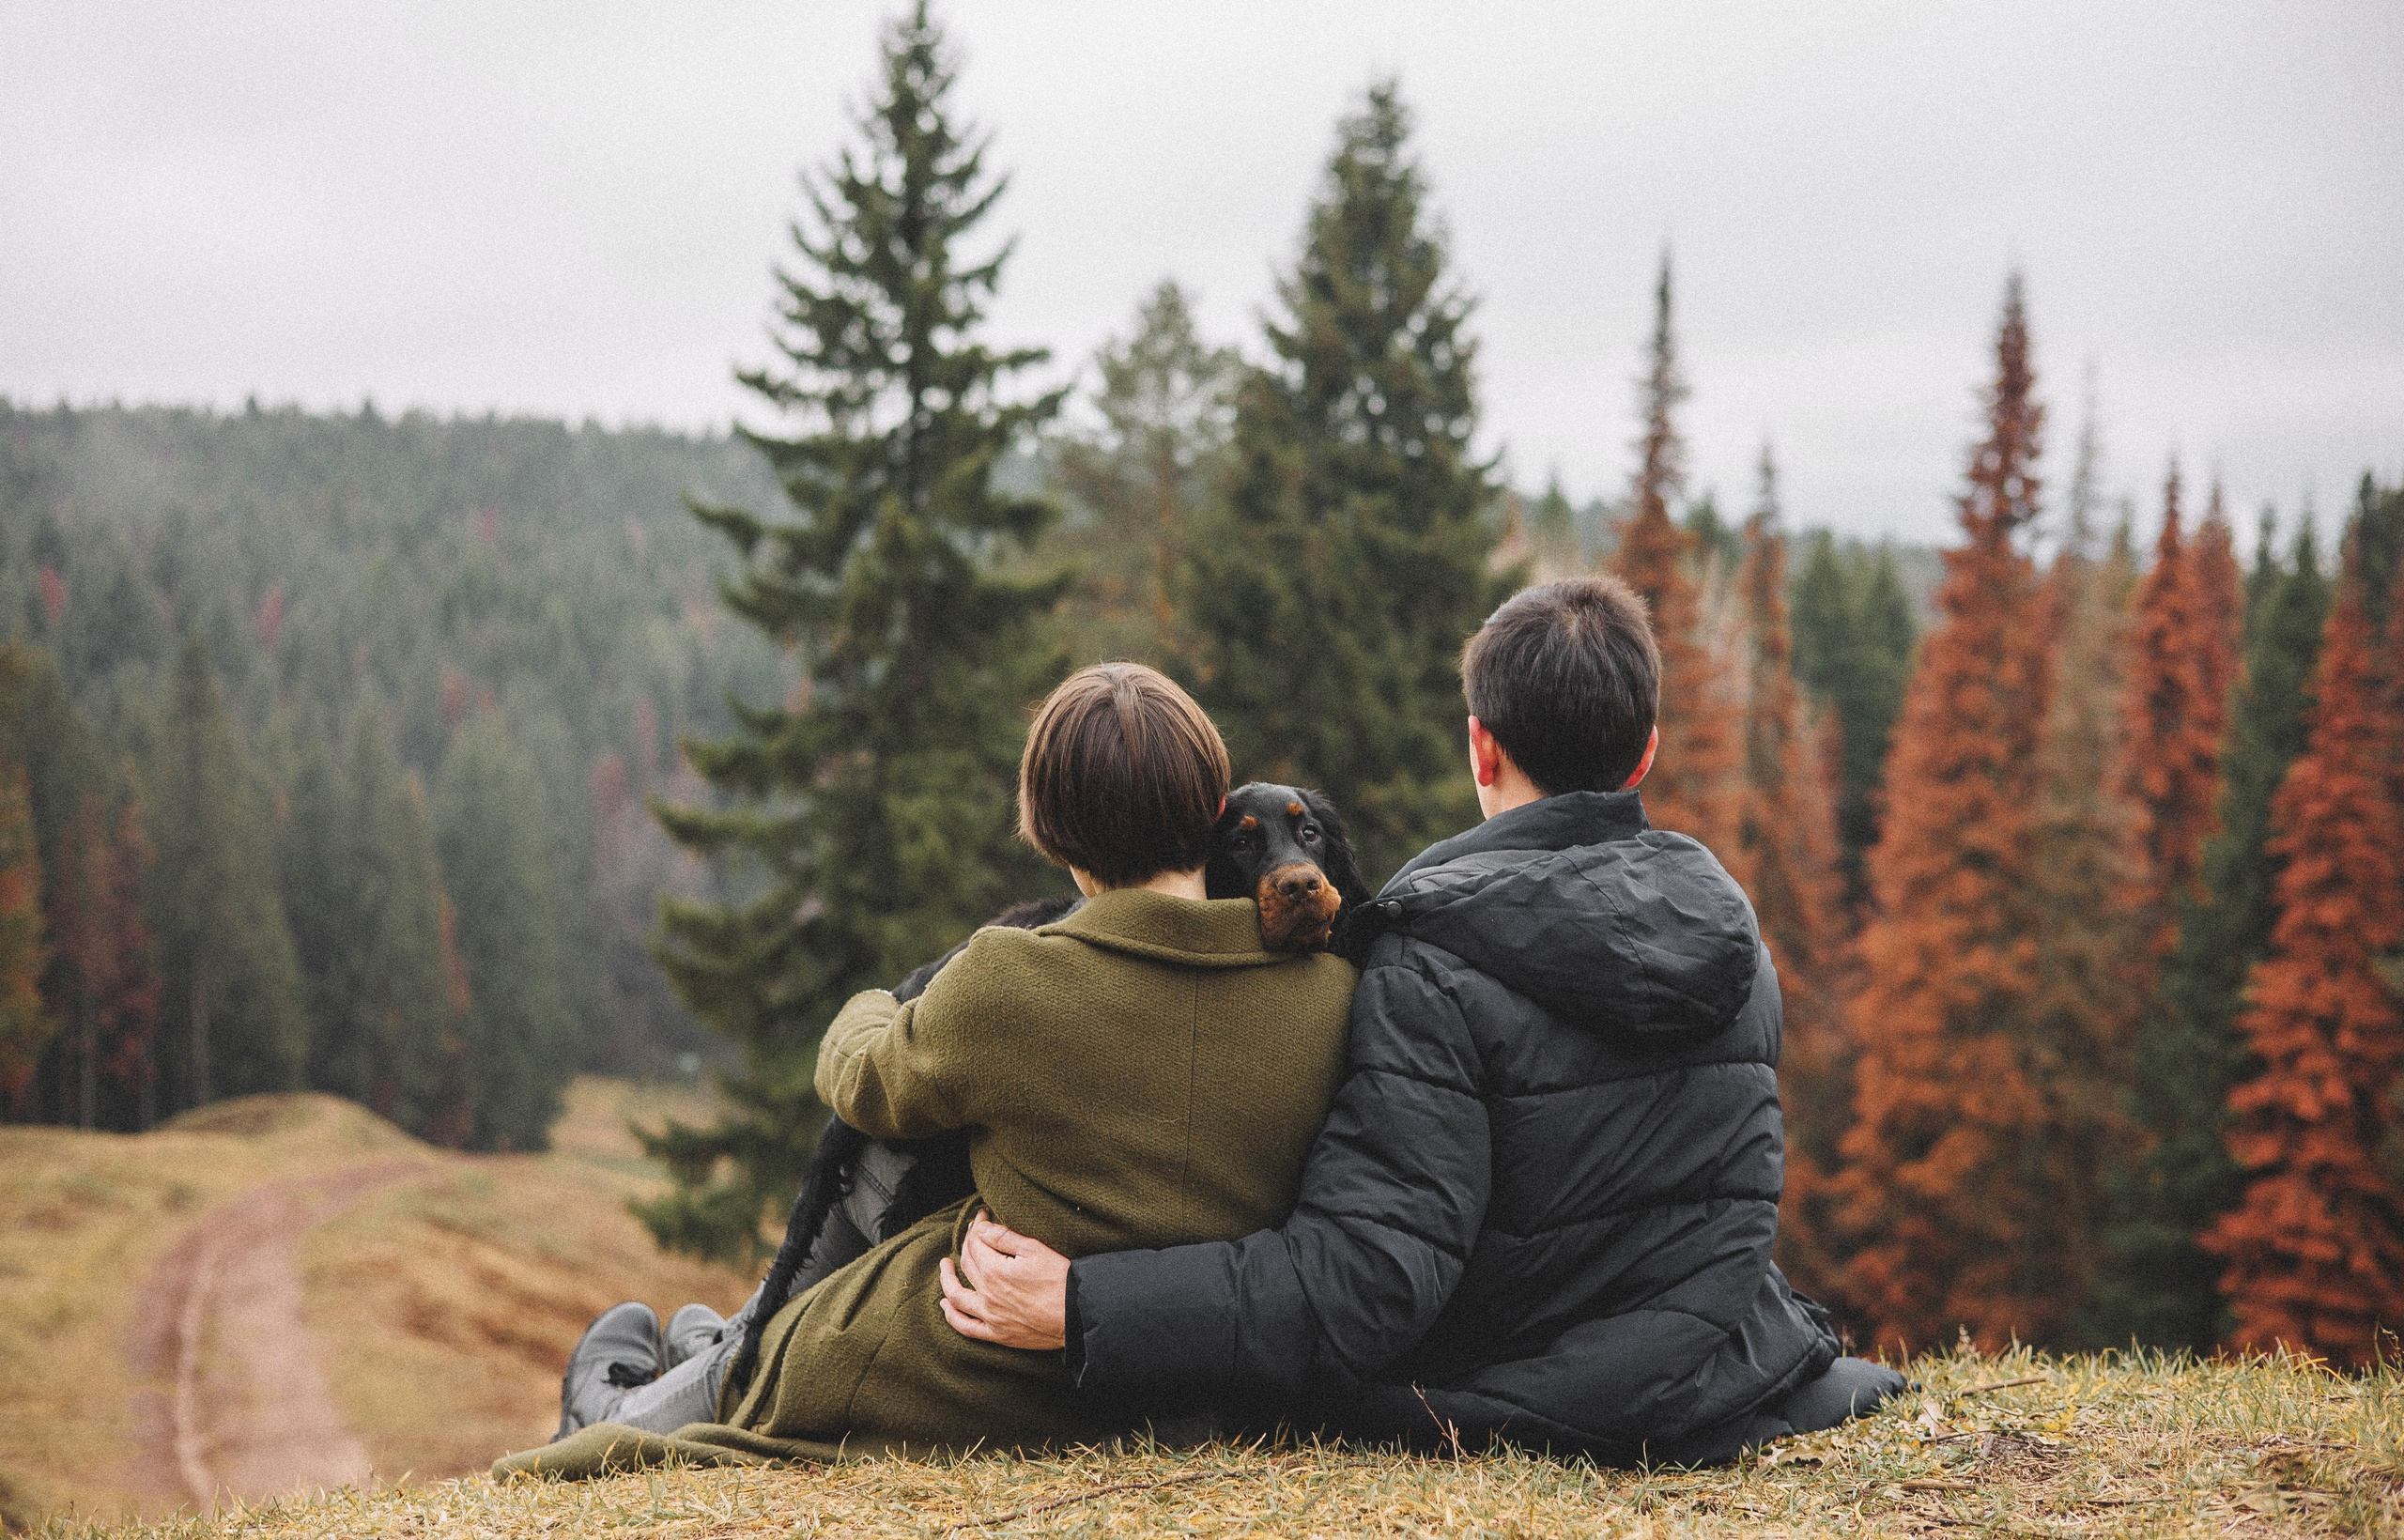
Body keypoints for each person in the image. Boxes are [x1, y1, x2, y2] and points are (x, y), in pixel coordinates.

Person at [941, 576, 1904, 1464]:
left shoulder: (1426, 960)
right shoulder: (1734, 937)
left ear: (1480, 744)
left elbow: (1364, 1281)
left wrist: (1080, 1304)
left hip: (1531, 1394)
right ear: (1645, 748)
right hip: (1731, 1359)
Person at [500, 663, 1358, 1477]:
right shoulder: (1331, 996)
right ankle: (717, 1346)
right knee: (768, 1323)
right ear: (1213, 807)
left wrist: (874, 1004)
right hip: (1190, 1383)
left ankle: (618, 1410)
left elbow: (866, 1078)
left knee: (795, 1359)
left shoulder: (1011, 978)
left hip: (984, 1381)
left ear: (1048, 829)